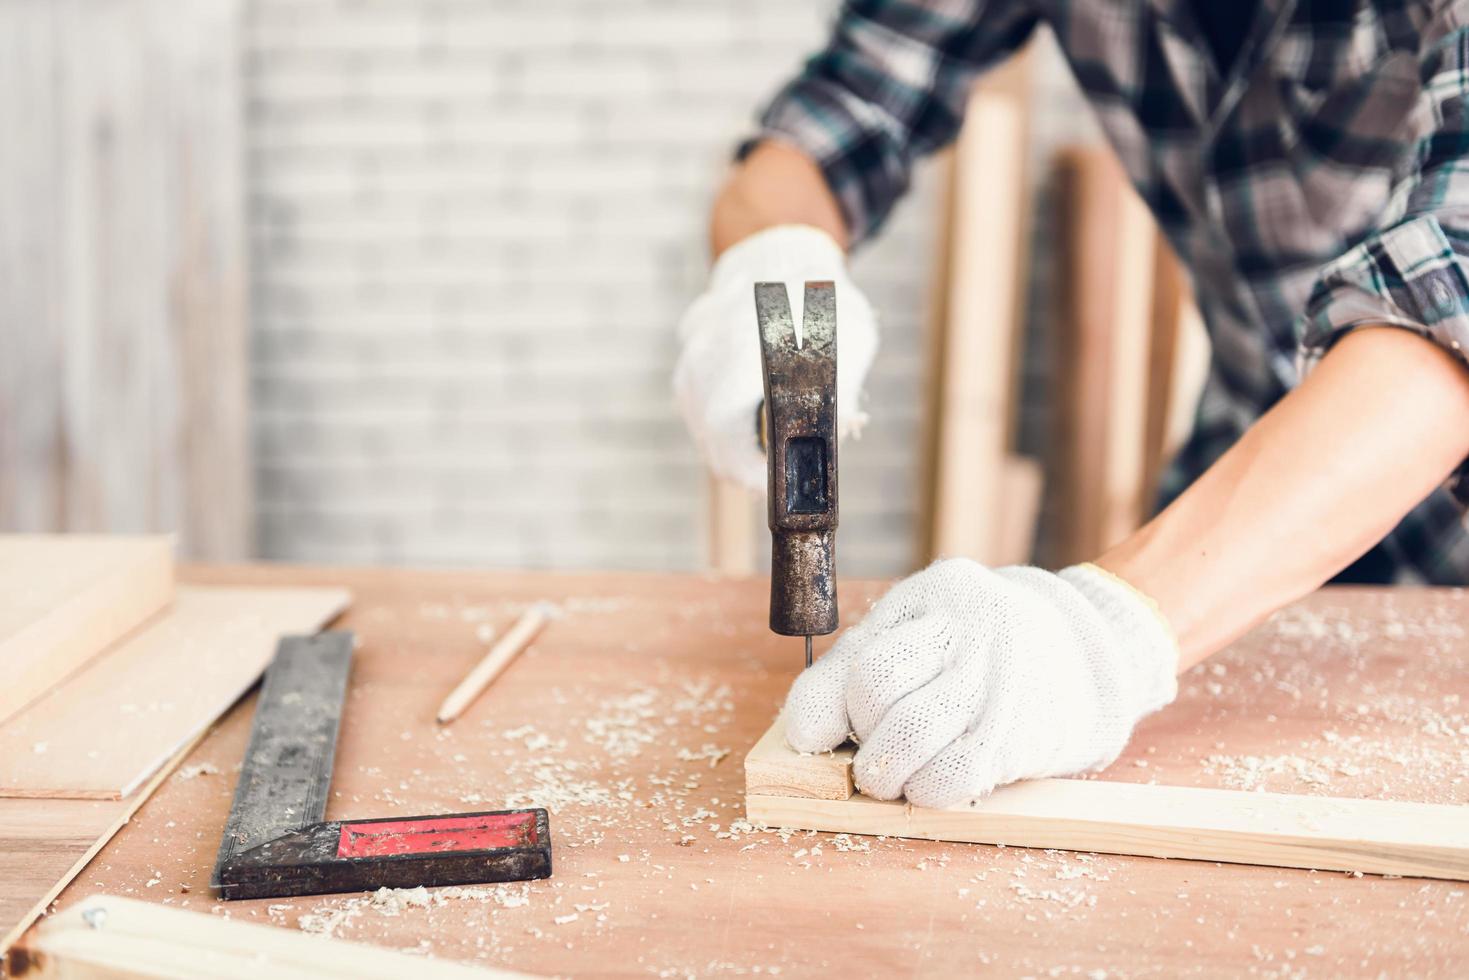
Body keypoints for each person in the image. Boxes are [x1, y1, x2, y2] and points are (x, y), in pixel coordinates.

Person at [672, 1, 1469, 809]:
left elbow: (1458, 276)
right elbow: (846, 110)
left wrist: (1102, 632)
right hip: (1228, 485)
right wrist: (773, 254)